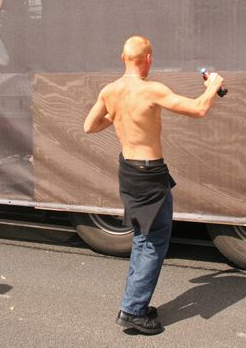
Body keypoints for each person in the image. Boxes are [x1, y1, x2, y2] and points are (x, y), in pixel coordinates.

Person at [84, 35, 224, 334]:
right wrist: (212, 86)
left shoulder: (109, 91)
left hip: (129, 172)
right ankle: (133, 311)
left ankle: (133, 303)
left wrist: (119, 114)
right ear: (148, 59)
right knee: (153, 241)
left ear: (123, 57)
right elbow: (199, 109)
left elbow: (89, 126)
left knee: (142, 237)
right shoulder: (152, 90)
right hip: (149, 175)